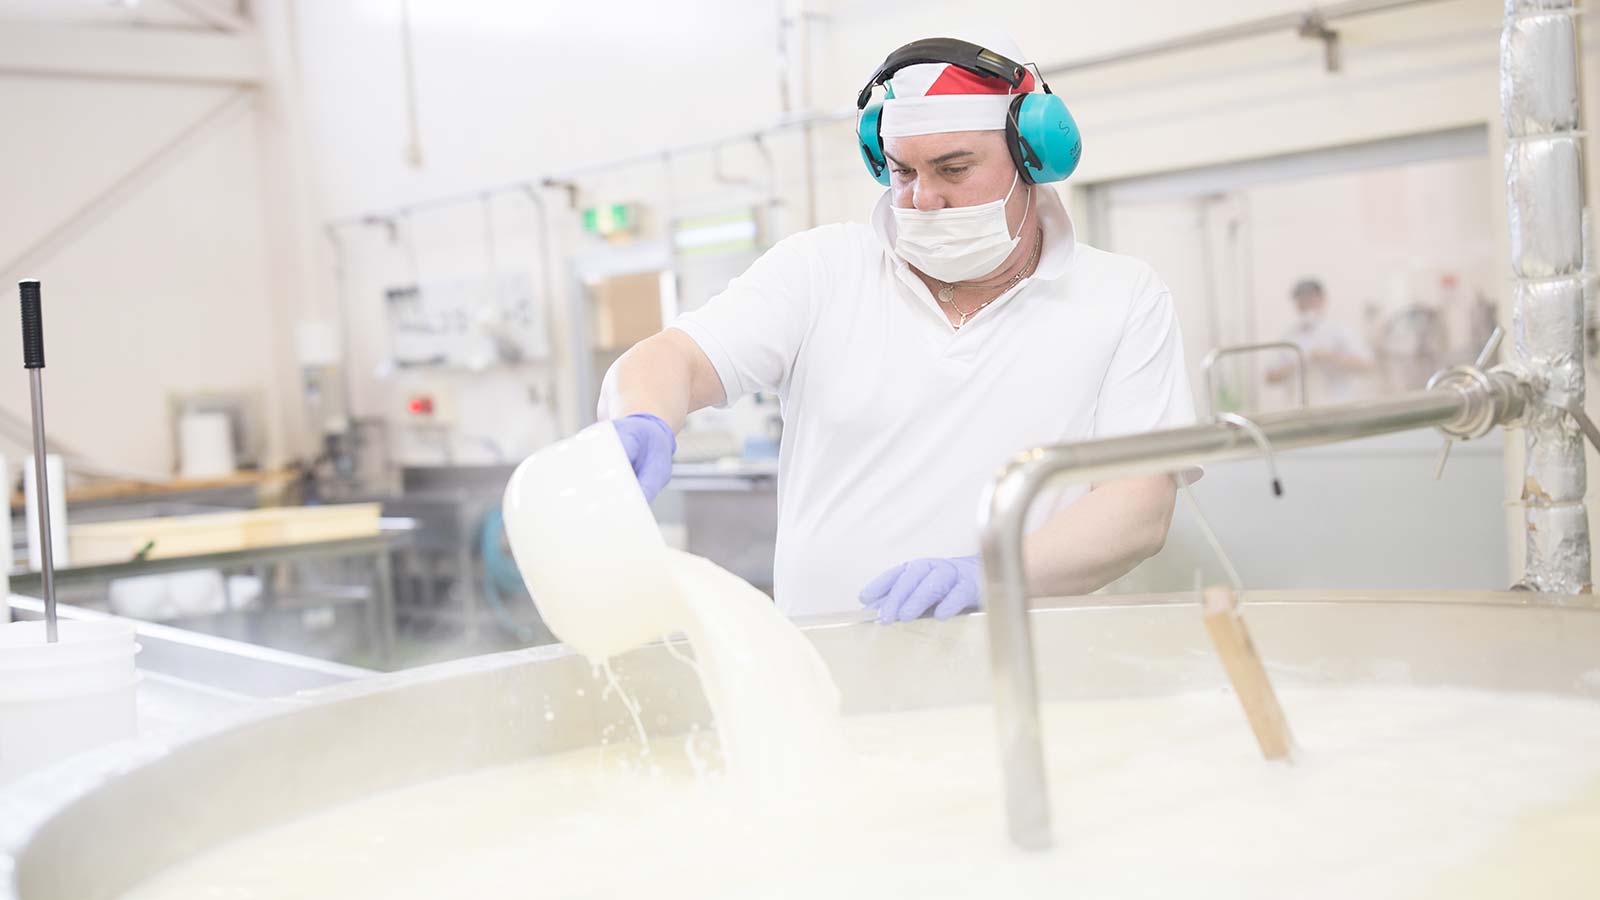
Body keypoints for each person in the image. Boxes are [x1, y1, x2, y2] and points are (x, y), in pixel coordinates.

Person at [599, 34, 1195, 623]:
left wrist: (989, 572)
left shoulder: (1122, 297)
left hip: (1026, 662)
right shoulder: (822, 270)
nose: (923, 198)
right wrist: (644, 414)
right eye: (903, 171)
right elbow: (674, 358)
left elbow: (1139, 505)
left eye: (953, 168)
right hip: (831, 666)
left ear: (1031, 158)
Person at [1267, 278, 1376, 404]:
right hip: (1298, 406)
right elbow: (1270, 377)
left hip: (1336, 405)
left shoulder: (1339, 331)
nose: (1305, 303)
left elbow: (1368, 365)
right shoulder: (1289, 337)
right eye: (1301, 299)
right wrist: (1299, 362)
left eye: (1310, 298)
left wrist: (1329, 357)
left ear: (1322, 299)